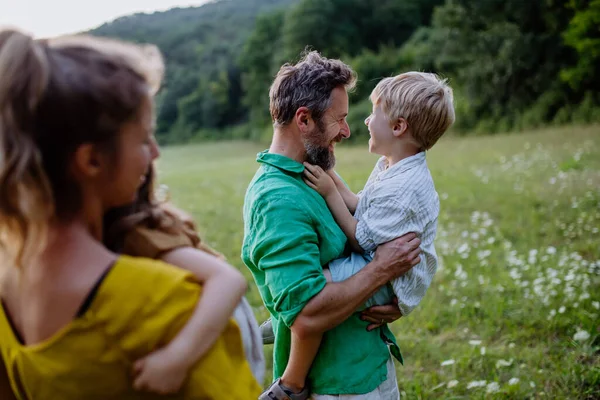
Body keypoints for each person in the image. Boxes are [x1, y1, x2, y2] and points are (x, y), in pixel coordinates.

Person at [0, 28, 260, 399]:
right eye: (142, 139)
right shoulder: (163, 307)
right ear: (91, 160)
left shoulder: (7, 288)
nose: (154, 154)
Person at [242, 51, 422, 400]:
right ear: (304, 119)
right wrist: (383, 270)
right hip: (335, 385)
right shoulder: (276, 199)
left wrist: (397, 293)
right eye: (339, 118)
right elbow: (308, 315)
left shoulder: (314, 171)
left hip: (368, 362)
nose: (347, 129)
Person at [291, 71, 454, 395]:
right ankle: (288, 324)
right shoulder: (393, 164)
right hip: (383, 262)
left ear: (398, 127)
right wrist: (331, 175)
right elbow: (360, 203)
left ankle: (287, 326)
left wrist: (328, 193)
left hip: (389, 276)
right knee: (321, 285)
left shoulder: (403, 186)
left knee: (316, 288)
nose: (365, 122)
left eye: (374, 113)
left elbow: (361, 238)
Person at [103, 166, 265, 392]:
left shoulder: (138, 237)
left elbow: (228, 280)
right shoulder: (146, 223)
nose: (155, 151)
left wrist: (176, 358)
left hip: (221, 332)